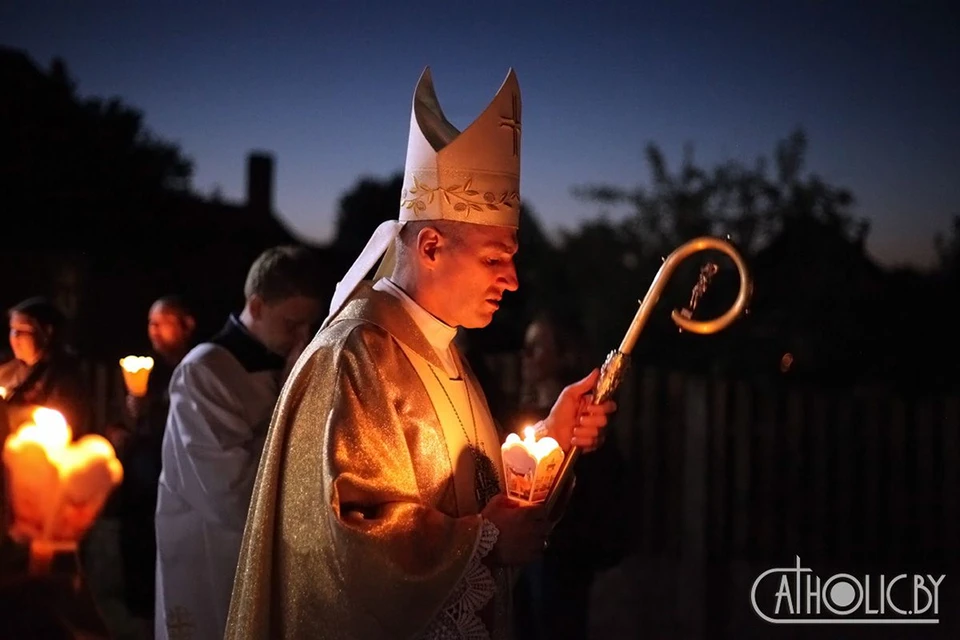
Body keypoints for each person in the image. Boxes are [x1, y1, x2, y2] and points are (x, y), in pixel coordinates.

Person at [225, 67, 618, 639]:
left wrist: (550, 445)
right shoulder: (355, 355)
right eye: (494, 258)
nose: (512, 280)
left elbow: (475, 495)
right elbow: (349, 540)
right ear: (431, 245)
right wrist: (482, 545)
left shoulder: (443, 350)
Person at [154, 246, 327, 640]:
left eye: (309, 326)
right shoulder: (205, 371)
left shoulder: (281, 362)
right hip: (215, 547)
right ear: (257, 305)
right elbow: (227, 492)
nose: (303, 339)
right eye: (292, 324)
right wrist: (291, 401)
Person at [512, 312, 628, 639]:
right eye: (526, 347)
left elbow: (603, 494)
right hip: (520, 555)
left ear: (564, 355)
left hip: (563, 560)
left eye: (536, 347)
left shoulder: (588, 428)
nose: (526, 356)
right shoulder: (519, 419)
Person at [117, 296, 196, 630]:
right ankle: (139, 611)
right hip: (143, 475)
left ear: (185, 325)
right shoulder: (150, 368)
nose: (154, 330)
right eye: (151, 323)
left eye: (162, 321)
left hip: (176, 474)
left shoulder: (195, 367)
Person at [0, 297, 88, 436]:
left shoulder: (64, 377)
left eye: (22, 330)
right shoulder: (7, 369)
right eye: (12, 329)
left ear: (46, 332)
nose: (15, 337)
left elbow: (63, 423)